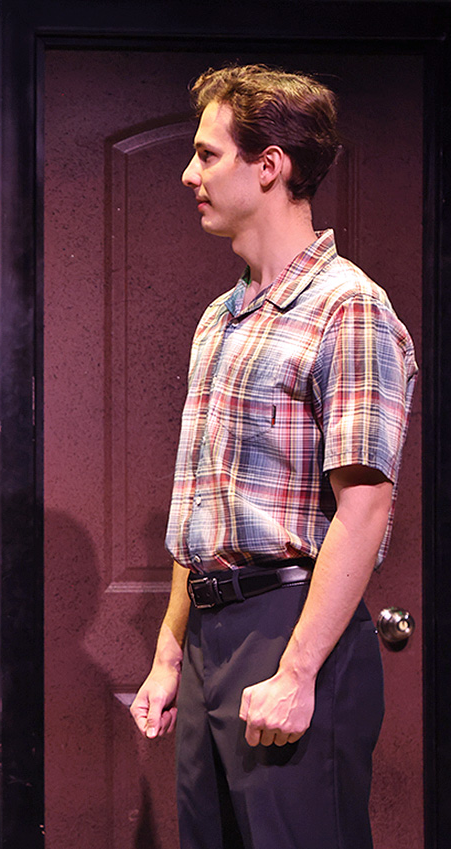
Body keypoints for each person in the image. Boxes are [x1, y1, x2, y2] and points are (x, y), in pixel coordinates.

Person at [129, 65, 417, 848]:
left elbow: (365, 506)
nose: (189, 173)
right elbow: (206, 509)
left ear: (269, 165)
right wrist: (166, 655)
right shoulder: (218, 319)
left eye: (207, 154)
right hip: (210, 635)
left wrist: (296, 671)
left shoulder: (347, 308)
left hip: (290, 624)